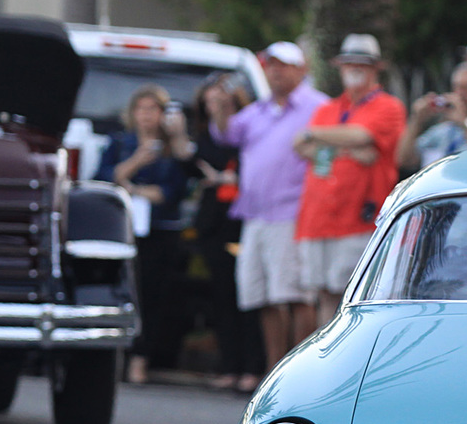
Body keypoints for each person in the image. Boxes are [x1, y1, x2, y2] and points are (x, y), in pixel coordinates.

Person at [214, 41, 328, 372]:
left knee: (295, 296)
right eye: (272, 65)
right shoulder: (259, 110)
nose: (276, 71)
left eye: (284, 65)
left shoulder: (318, 107)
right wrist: (222, 108)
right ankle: (274, 371)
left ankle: (300, 374)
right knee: (262, 297)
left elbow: (328, 157)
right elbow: (226, 136)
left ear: (301, 69)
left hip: (293, 215)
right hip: (255, 216)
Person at [294, 34, 406, 327]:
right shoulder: (327, 108)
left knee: (354, 300)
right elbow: (301, 145)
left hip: (359, 218)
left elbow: (361, 136)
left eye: (363, 63)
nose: (355, 67)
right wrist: (348, 148)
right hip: (318, 217)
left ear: (374, 69)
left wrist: (318, 136)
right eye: (349, 63)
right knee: (323, 296)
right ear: (340, 67)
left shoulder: (389, 106)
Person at [96, 84, 193, 384]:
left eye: (153, 109)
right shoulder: (120, 143)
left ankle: (141, 359)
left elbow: (173, 191)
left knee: (152, 295)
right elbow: (103, 178)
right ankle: (113, 356)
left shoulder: (171, 148)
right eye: (142, 109)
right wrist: (136, 162)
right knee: (119, 290)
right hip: (123, 228)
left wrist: (134, 187)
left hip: (160, 230)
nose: (147, 115)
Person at [190, 73, 265, 392]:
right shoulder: (205, 135)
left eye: (221, 98)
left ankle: (254, 366)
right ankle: (229, 364)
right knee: (222, 294)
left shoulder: (252, 126)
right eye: (209, 101)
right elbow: (194, 167)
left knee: (249, 296)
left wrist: (232, 181)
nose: (214, 104)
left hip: (245, 220)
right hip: (214, 223)